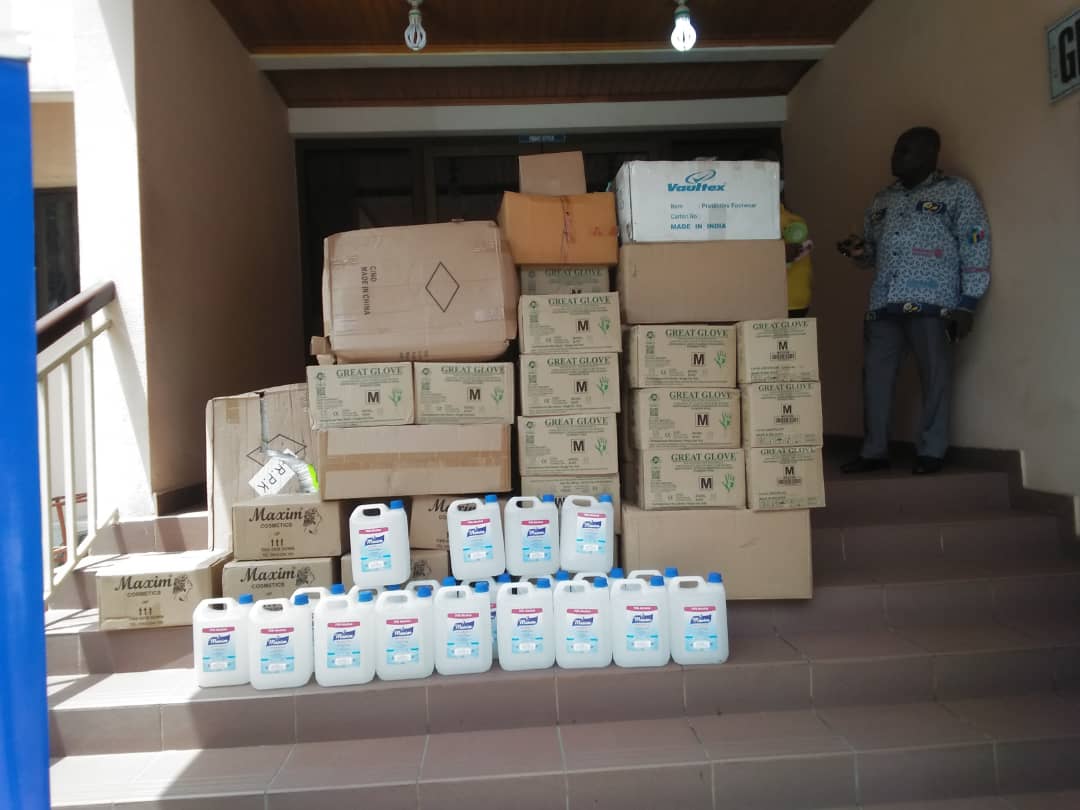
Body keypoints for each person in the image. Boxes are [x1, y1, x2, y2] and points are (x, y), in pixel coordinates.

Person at [837, 127, 991, 475]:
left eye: (904, 150)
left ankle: (932, 451)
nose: (895, 156)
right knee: (875, 379)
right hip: (884, 302)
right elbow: (872, 254)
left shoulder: (956, 192)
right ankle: (874, 451)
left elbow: (975, 244)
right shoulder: (882, 199)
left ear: (930, 154)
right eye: (896, 149)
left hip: (934, 302)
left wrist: (968, 302)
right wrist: (857, 250)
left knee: (935, 378)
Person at [742, 146, 813, 316]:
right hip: (758, 302)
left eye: (776, 172)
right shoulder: (738, 219)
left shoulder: (794, 221)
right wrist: (778, 254)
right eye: (762, 172)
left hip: (794, 303)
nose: (773, 178)